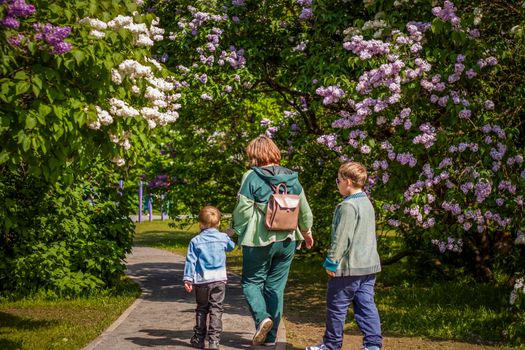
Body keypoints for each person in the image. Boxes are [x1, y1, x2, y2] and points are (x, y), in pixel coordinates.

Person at [228, 135, 314, 346]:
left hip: (259, 240)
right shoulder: (292, 177)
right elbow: (304, 208)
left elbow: (244, 210)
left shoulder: (251, 176)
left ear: (255, 155)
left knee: (251, 283)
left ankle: (262, 318)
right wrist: (307, 231)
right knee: (275, 288)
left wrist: (234, 229)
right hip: (288, 239)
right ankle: (272, 337)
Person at [307, 161, 382, 350]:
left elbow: (342, 238)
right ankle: (373, 345)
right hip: (368, 267)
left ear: (348, 181)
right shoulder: (367, 203)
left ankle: (331, 345)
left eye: (338, 180)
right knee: (367, 308)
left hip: (348, 269)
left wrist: (331, 262)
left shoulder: (347, 207)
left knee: (336, 308)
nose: (337, 183)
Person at [183, 206, 236, 349]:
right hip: (219, 280)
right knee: (216, 309)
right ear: (218, 223)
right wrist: (228, 235)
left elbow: (191, 260)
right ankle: (214, 341)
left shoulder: (195, 241)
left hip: (202, 281)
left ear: (200, 223)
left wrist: (188, 278)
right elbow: (231, 247)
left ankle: (199, 339)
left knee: (201, 308)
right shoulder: (223, 238)